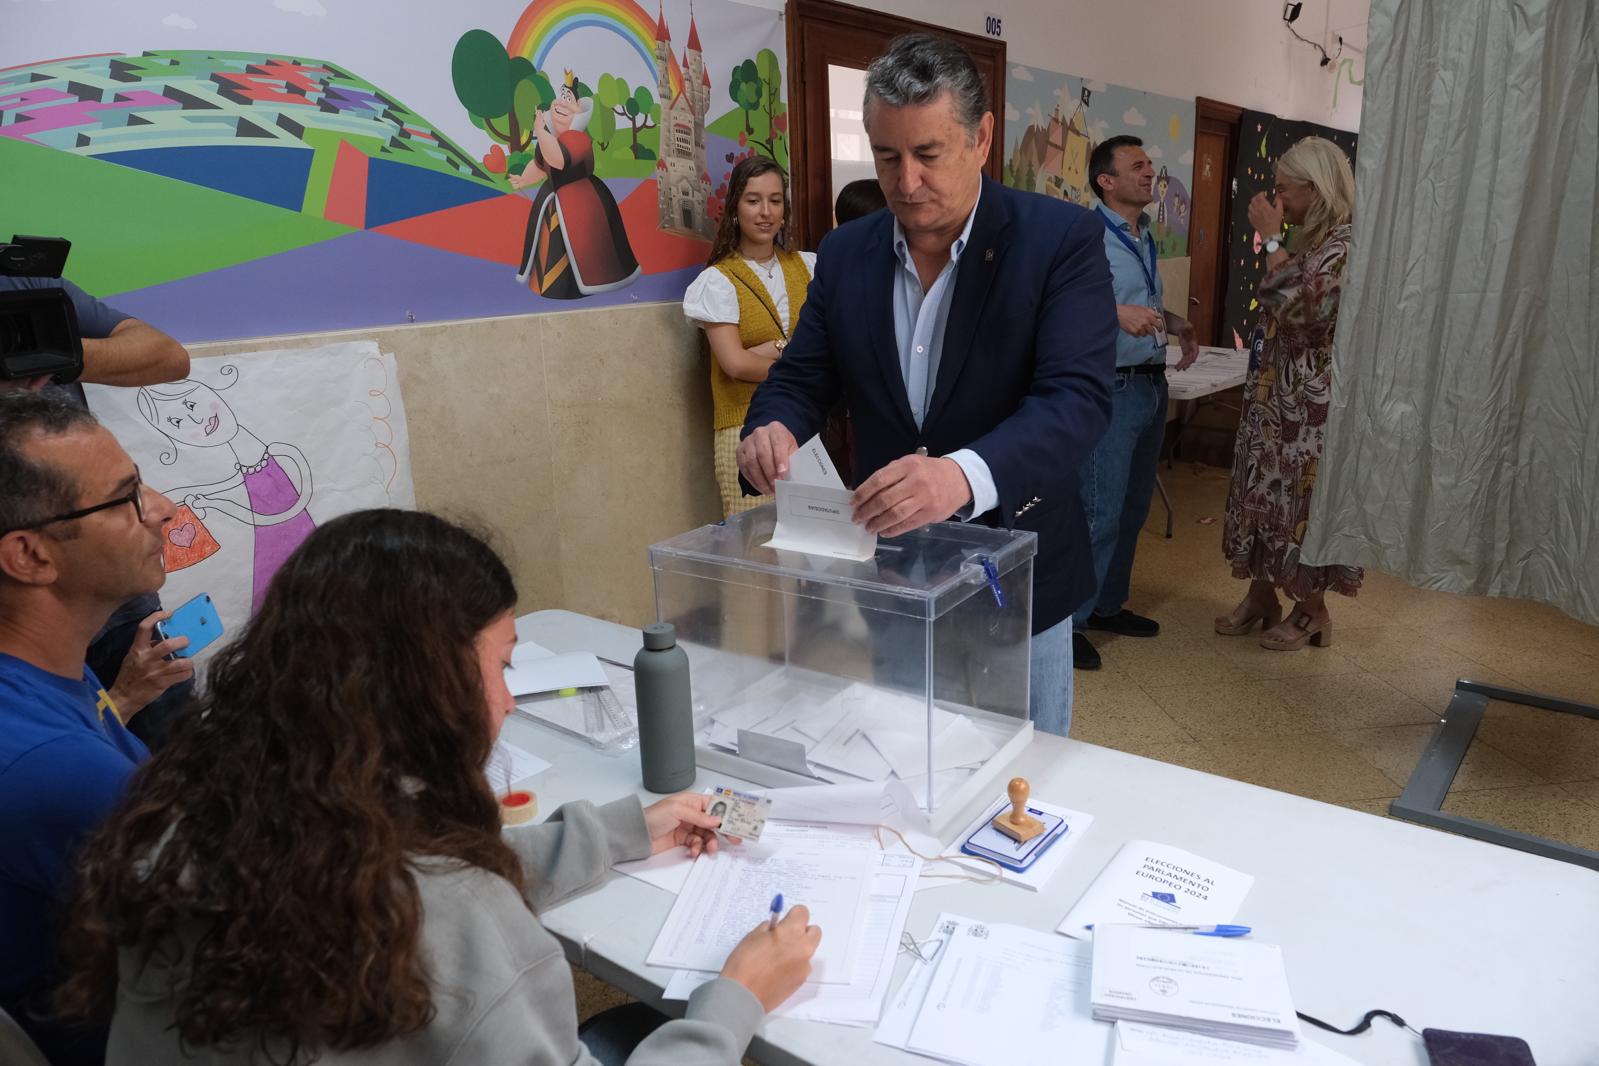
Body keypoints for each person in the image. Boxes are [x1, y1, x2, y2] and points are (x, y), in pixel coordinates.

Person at [55, 509, 822, 1065]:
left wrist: (616, 832)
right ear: (433, 686)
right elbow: (439, 903)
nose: (510, 699)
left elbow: (390, 868)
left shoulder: (186, 818)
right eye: (502, 665)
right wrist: (735, 1001)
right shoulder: (457, 926)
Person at [737, 34, 1117, 736]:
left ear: (980, 139)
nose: (905, 182)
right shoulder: (848, 252)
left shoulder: (1056, 241)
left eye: (927, 154)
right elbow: (802, 375)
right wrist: (774, 425)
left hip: (1017, 569)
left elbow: (1076, 400)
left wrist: (960, 477)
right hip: (894, 571)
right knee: (905, 755)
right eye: (887, 157)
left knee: (1020, 780)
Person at [0, 391, 182, 1066]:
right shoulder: (54, 767)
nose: (161, 510)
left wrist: (125, 697)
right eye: (127, 497)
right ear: (31, 556)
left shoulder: (50, 678)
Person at [0, 272, 195, 747]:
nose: (163, 513)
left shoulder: (23, 283)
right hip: (24, 598)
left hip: (105, 575)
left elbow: (168, 356)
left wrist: (52, 352)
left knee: (169, 722)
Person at [1217, 136, 1362, 649]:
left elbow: (1307, 316)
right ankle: (1261, 595)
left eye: (1284, 190)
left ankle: (1311, 610)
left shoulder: (1345, 246)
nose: (1277, 201)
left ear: (1317, 188)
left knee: (1300, 507)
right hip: (1275, 398)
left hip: (1312, 411)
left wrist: (1271, 241)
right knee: (1261, 496)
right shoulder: (1308, 241)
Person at [1071, 136, 1199, 671]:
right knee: (1097, 511)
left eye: (1150, 164)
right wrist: (1113, 312)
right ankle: (1068, 623)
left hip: (1150, 384)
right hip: (1111, 384)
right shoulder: (1084, 234)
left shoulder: (1142, 234)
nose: (1150, 173)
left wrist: (1174, 322)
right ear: (1106, 180)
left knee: (1131, 508)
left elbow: (1139, 300)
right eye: (1138, 166)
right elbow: (1060, 302)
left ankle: (1107, 605)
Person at [683, 156, 817, 517]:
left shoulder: (809, 266)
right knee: (758, 555)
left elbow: (826, 351)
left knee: (810, 549)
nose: (765, 212)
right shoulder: (719, 280)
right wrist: (793, 358)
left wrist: (771, 351)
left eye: (775, 200)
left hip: (804, 426)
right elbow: (735, 363)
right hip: (745, 429)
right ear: (735, 209)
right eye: (753, 200)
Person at [510, 72, 641, 299]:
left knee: (580, 248)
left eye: (568, 99)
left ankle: (573, 288)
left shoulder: (577, 139)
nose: (561, 102)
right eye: (561, 96)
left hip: (582, 205)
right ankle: (547, 284)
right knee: (548, 246)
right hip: (553, 203)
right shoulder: (550, 139)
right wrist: (523, 179)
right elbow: (541, 164)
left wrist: (540, 131)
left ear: (579, 110)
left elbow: (558, 160)